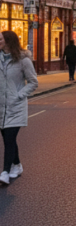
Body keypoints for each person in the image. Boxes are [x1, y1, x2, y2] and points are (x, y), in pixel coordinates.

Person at [0, 30, 39, 185]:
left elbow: (33, 82)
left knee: (9, 138)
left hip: (15, 107)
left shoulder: (23, 60)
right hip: (1, 107)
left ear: (9, 41)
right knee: (8, 140)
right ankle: (17, 165)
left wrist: (18, 95)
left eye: (1, 39)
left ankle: (5, 172)